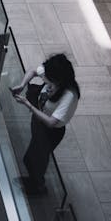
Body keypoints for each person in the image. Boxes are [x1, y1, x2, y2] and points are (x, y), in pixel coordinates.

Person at [11, 54, 80, 195]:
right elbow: (33, 71)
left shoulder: (69, 96)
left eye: (48, 78)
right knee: (32, 156)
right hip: (39, 121)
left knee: (36, 160)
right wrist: (22, 84)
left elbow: (51, 122)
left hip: (50, 132)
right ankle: (33, 182)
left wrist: (28, 105)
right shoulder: (53, 75)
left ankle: (38, 188)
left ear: (57, 80)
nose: (44, 77)